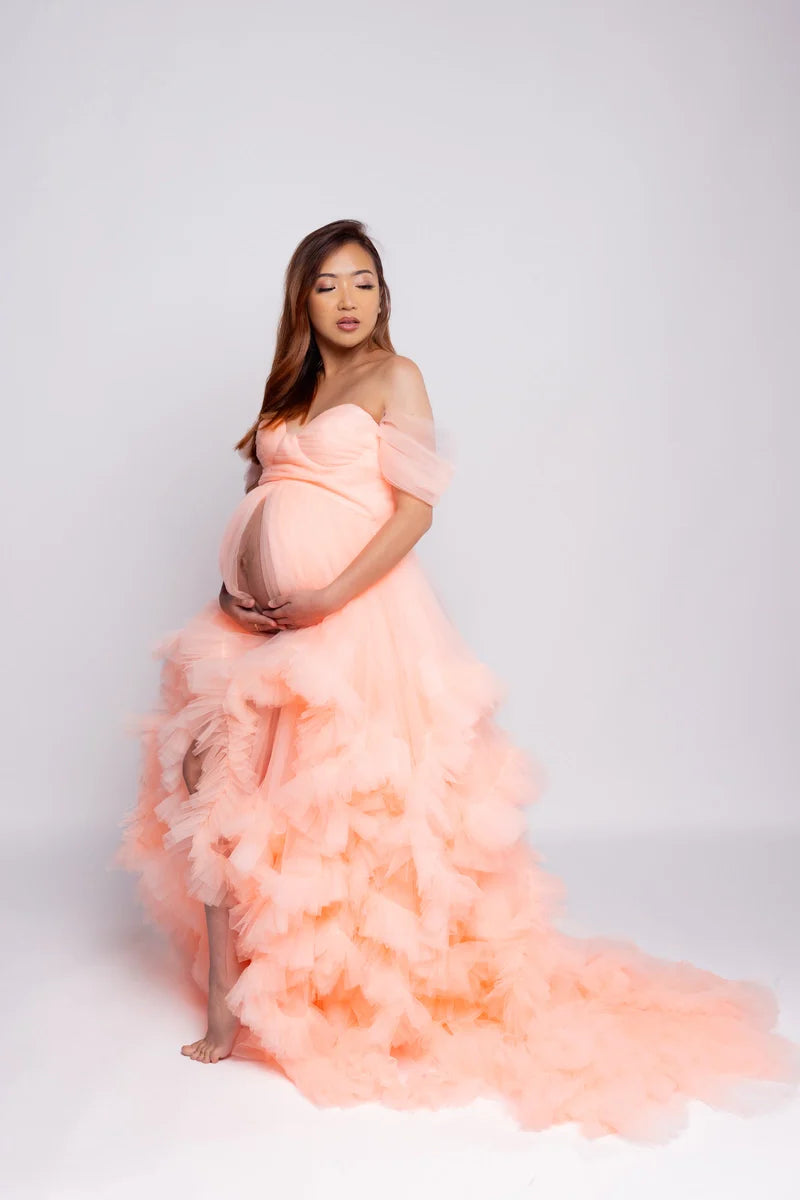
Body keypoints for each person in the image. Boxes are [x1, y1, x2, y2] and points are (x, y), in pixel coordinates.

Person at [116, 218, 799, 1143]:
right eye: (329, 285)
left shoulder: (399, 379)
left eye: (365, 282)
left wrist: (325, 595)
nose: (349, 300)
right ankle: (225, 1003)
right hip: (254, 622)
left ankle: (335, 995)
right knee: (218, 792)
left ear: (384, 295)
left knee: (332, 811)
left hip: (352, 621)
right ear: (302, 300)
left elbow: (415, 514)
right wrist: (237, 594)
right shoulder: (293, 385)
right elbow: (260, 501)